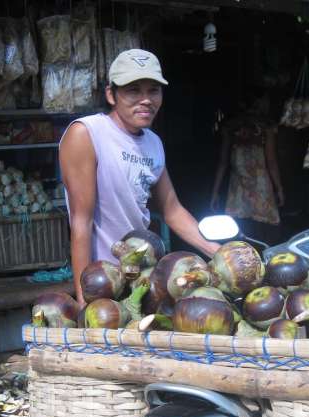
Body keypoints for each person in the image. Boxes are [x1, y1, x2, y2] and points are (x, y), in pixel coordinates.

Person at [59, 49, 220, 305]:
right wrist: (83, 299)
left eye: (153, 90)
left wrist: (219, 253)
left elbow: (172, 211)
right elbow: (81, 221)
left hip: (142, 276)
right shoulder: (87, 133)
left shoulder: (153, 143)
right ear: (111, 94)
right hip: (104, 278)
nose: (146, 100)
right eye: (133, 90)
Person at [210, 91, 285, 245]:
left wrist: (215, 192)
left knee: (240, 231)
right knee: (264, 230)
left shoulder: (231, 127)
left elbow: (223, 162)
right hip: (261, 187)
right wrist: (279, 188)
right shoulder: (266, 127)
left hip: (237, 187)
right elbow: (271, 161)